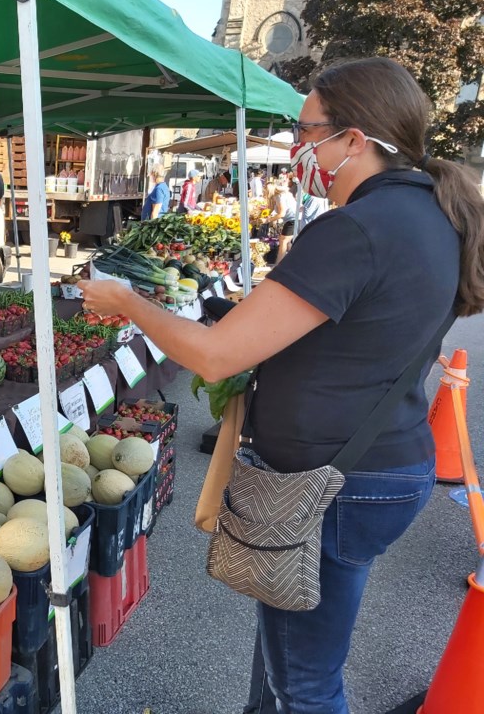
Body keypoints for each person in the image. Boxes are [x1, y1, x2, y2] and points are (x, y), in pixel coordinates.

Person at [78, 57, 484, 714]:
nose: (298, 150)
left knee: (306, 683)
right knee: (288, 653)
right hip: (379, 471)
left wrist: (127, 301)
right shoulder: (437, 217)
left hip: (328, 488)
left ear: (354, 139)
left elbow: (213, 357)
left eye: (307, 131)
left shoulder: (357, 228)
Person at [263, 182, 298, 261]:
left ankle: (278, 264)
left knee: (283, 241)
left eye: (265, 192)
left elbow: (282, 213)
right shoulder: (281, 194)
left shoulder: (279, 196)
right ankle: (297, 257)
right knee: (286, 241)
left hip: (293, 219)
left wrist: (268, 220)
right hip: (293, 218)